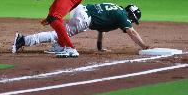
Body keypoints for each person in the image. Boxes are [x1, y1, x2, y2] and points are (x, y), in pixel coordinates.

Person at [12, 3, 150, 57]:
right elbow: (132, 32)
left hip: (80, 9)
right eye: (133, 19)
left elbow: (101, 28)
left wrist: (99, 46)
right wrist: (144, 46)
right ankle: (23, 40)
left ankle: (57, 46)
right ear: (131, 14)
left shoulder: (117, 9)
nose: (132, 22)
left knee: (61, 34)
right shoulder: (123, 16)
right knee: (57, 34)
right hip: (83, 18)